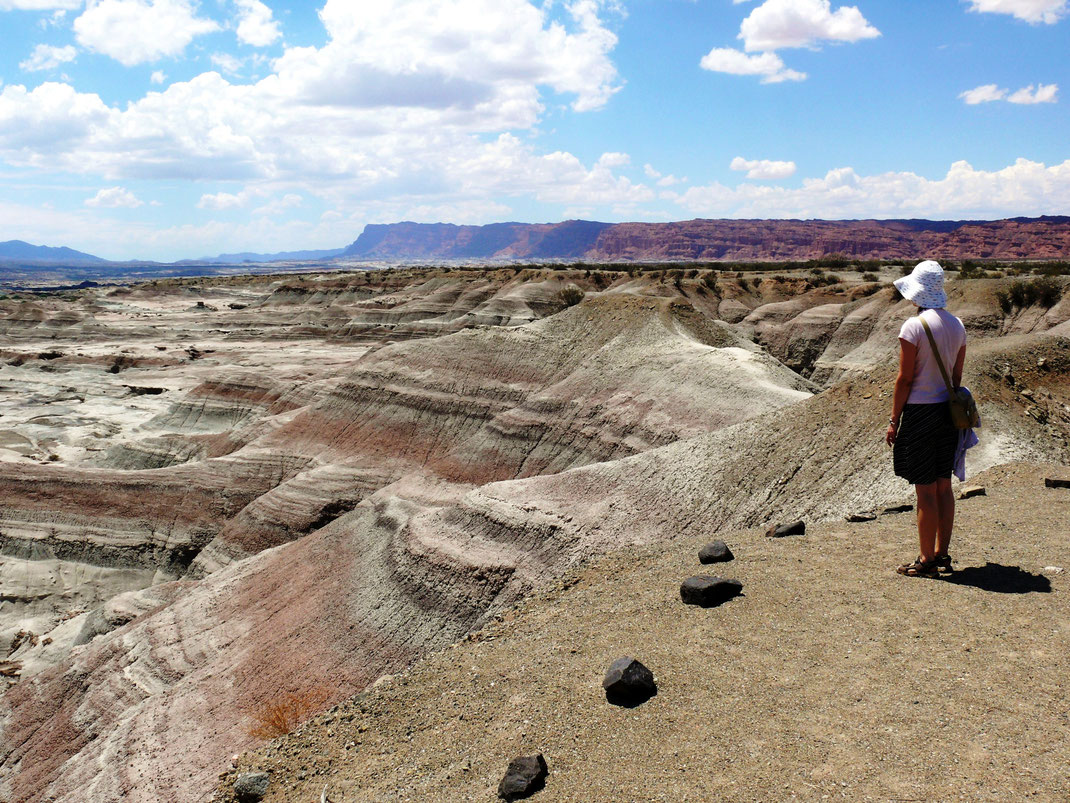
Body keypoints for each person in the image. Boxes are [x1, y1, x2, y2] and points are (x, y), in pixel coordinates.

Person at [884, 260, 967, 577]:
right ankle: (941, 554)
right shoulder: (957, 325)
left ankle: (925, 560)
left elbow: (905, 379)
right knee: (944, 487)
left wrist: (894, 419)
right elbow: (957, 377)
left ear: (918, 291)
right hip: (947, 412)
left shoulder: (913, 327)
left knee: (925, 491)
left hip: (919, 412)